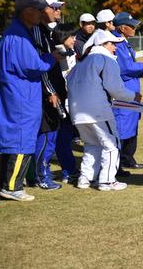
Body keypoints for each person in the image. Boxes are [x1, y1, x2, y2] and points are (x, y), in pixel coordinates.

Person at [0, 0, 61, 202]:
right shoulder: (19, 36)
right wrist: (52, 58)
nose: (41, 13)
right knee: (21, 139)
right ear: (25, 11)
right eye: (37, 10)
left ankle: (5, 184)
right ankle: (12, 186)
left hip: (15, 93)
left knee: (9, 139)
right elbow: (34, 66)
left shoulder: (17, 32)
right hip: (20, 96)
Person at [67, 29, 141, 191]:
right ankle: (107, 181)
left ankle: (85, 179)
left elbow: (69, 82)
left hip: (77, 113)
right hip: (98, 111)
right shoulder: (106, 60)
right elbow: (115, 89)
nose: (115, 48)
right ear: (103, 44)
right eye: (112, 44)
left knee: (91, 145)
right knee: (112, 145)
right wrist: (133, 96)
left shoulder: (82, 62)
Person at [112, 12, 143, 175]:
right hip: (123, 92)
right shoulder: (116, 43)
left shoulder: (124, 42)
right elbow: (124, 69)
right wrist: (142, 67)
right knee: (121, 128)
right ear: (121, 27)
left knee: (130, 126)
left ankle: (125, 160)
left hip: (131, 90)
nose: (134, 28)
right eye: (131, 26)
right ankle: (114, 167)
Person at [32, 0, 67, 190]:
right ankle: (41, 176)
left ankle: (38, 174)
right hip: (46, 95)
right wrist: (50, 92)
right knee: (46, 135)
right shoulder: (37, 31)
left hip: (51, 91)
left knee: (51, 134)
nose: (57, 11)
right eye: (54, 7)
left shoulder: (46, 31)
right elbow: (41, 66)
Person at [52, 24, 81, 183]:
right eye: (72, 36)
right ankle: (68, 171)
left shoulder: (69, 51)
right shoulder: (60, 52)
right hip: (59, 99)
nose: (75, 39)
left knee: (64, 136)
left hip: (65, 98)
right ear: (63, 37)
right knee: (62, 136)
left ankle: (68, 169)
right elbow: (66, 77)